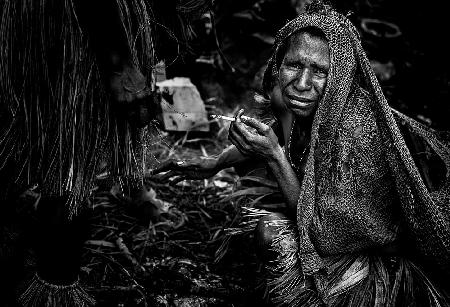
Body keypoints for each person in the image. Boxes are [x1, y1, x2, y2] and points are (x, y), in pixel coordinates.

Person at [152, 1, 450, 305]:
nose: (302, 83)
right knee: (257, 173)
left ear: (340, 76)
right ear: (278, 63)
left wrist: (275, 157)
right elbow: (280, 133)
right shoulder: (292, 99)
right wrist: (213, 163)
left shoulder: (357, 131)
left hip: (373, 256)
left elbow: (324, 236)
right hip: (328, 220)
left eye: (320, 71)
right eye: (294, 65)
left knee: (269, 233)